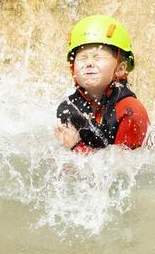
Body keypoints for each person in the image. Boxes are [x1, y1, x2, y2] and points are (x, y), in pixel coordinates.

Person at [54, 14, 149, 153]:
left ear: (120, 69)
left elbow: (122, 170)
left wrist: (76, 147)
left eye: (98, 57)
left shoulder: (131, 111)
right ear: (73, 68)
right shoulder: (69, 108)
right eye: (83, 58)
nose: (89, 63)